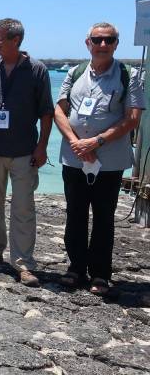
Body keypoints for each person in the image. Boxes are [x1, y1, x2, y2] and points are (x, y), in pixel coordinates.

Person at [54, 22, 144, 295]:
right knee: (75, 214)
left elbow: (133, 118)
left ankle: (101, 274)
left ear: (117, 43)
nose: (103, 44)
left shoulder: (130, 75)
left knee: (104, 216)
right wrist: (75, 142)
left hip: (110, 160)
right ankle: (76, 268)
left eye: (109, 40)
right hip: (75, 158)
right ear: (88, 43)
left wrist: (97, 141)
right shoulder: (75, 72)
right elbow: (59, 109)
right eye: (97, 39)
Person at [0, 18, 54, 287]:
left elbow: (46, 112)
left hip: (24, 151)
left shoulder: (37, 70)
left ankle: (23, 263)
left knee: (23, 208)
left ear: (15, 40)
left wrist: (42, 146)